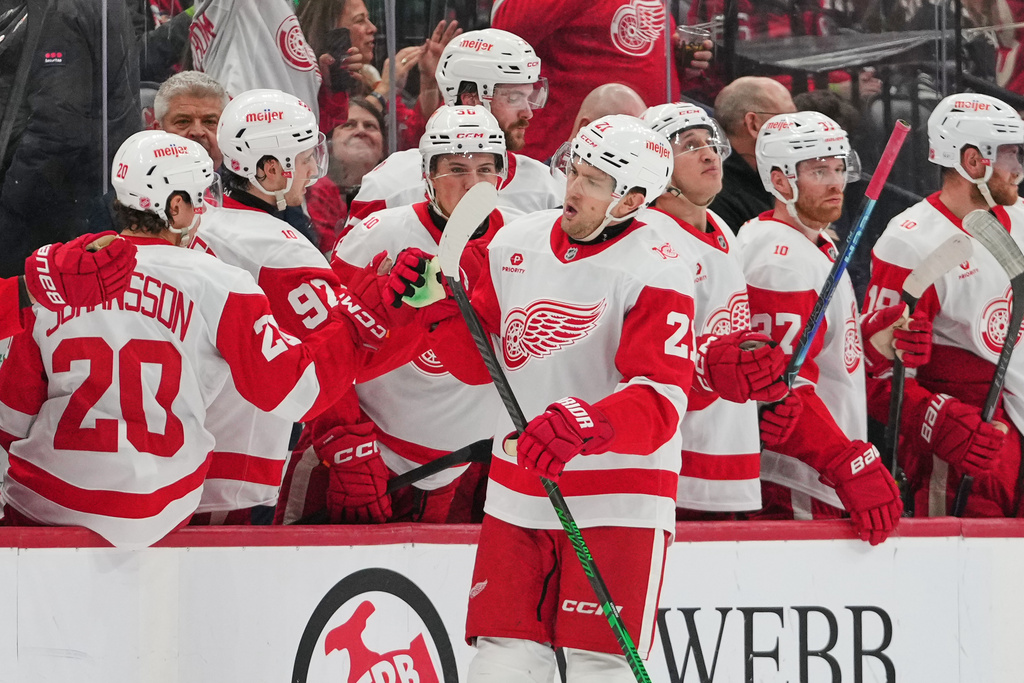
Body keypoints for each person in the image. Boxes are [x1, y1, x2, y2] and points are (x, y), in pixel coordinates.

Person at [0, 131, 413, 548]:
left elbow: (12, 414)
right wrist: (355, 320)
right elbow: (296, 392)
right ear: (175, 207)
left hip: (43, 503)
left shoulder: (55, 271)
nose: (206, 210)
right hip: (160, 511)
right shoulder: (223, 283)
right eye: (200, 198)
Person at [417, 115, 697, 680]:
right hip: (519, 482)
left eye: (595, 181)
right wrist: (439, 311)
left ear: (632, 199)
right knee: (501, 654)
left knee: (600, 664)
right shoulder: (515, 242)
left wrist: (581, 423)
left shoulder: (660, 266)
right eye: (575, 170)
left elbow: (661, 399)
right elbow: (480, 364)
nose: (573, 188)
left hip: (621, 495)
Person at [278, 105, 511, 526]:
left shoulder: (520, 245)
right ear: (427, 175)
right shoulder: (380, 234)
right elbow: (323, 342)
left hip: (455, 471)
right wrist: (344, 442)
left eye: (485, 169)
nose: (472, 184)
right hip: (364, 458)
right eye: (456, 168)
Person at [737, 111, 904, 544]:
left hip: (819, 470)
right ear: (779, 181)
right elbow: (781, 388)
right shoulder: (778, 259)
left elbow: (822, 354)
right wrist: (844, 459)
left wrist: (868, 340)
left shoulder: (813, 240)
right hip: (798, 477)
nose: (835, 182)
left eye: (837, 167)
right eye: (817, 170)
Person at [864, 93, 1024, 518]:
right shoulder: (911, 241)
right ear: (973, 162)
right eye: (1011, 155)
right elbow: (879, 372)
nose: (1019, 169)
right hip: (969, 450)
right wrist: (938, 419)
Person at [186, 88, 341, 521]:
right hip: (235, 472)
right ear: (272, 171)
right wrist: (381, 308)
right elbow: (334, 361)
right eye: (306, 156)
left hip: (179, 457)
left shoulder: (200, 221)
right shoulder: (281, 250)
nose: (313, 169)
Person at [639, 102, 795, 519]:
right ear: (656, 165)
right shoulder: (648, 240)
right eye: (690, 145)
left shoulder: (722, 228)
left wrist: (768, 385)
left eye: (710, 142)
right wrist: (712, 371)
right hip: (676, 466)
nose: (710, 153)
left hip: (732, 457)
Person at [344, 28, 562, 229]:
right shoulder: (391, 182)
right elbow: (348, 268)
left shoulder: (550, 188)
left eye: (529, 97)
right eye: (514, 98)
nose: (528, 112)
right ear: (470, 100)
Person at [0, 0, 140, 277]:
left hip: (55, 206)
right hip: (84, 196)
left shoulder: (62, 10)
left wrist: (10, 203)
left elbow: (58, 128)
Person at [490, 0, 709, 163]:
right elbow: (504, 34)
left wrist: (678, 65)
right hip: (568, 157)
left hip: (644, 155)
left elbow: (628, 54)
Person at [709, 77, 796, 234]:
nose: (796, 130)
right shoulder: (716, 194)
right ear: (753, 124)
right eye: (788, 119)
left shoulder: (773, 176)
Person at [306, 97, 387, 252]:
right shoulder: (313, 189)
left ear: (384, 146)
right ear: (329, 143)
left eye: (370, 126)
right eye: (349, 125)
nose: (361, 131)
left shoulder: (395, 191)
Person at [154, 70, 229, 169]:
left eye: (210, 122)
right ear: (158, 131)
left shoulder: (251, 180)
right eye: (183, 122)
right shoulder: (134, 183)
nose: (197, 132)